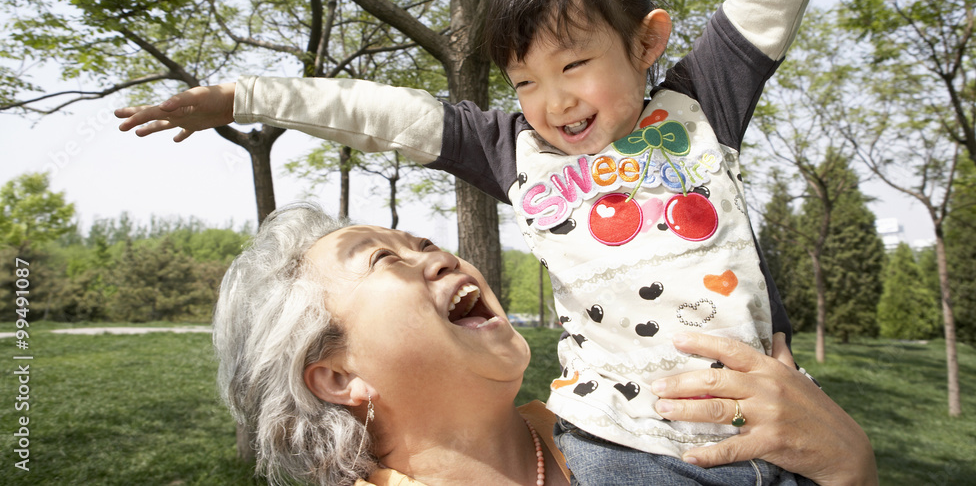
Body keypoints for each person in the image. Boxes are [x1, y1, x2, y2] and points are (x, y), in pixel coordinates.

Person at [119, 0, 858, 482]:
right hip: (618, 448)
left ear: (647, 41)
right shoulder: (516, 152)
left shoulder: (702, 104)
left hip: (771, 423)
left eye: (573, 66)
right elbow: (387, 113)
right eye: (523, 81)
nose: (554, 102)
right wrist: (245, 96)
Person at [214, 203, 877, 486]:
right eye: (382, 258)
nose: (434, 253)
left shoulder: (629, 427)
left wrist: (847, 464)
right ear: (335, 376)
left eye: (419, 239)